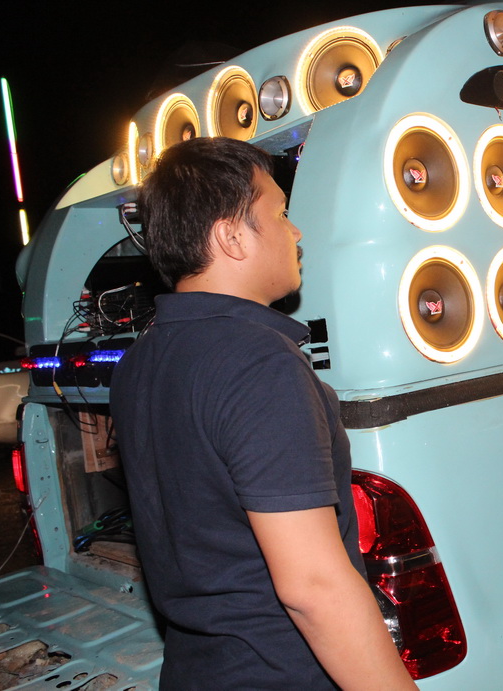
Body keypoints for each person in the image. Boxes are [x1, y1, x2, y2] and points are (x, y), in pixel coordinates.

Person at [110, 137, 417, 690]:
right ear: (231, 236)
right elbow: (313, 587)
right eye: (279, 214)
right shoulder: (258, 362)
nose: (295, 232)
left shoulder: (140, 360)